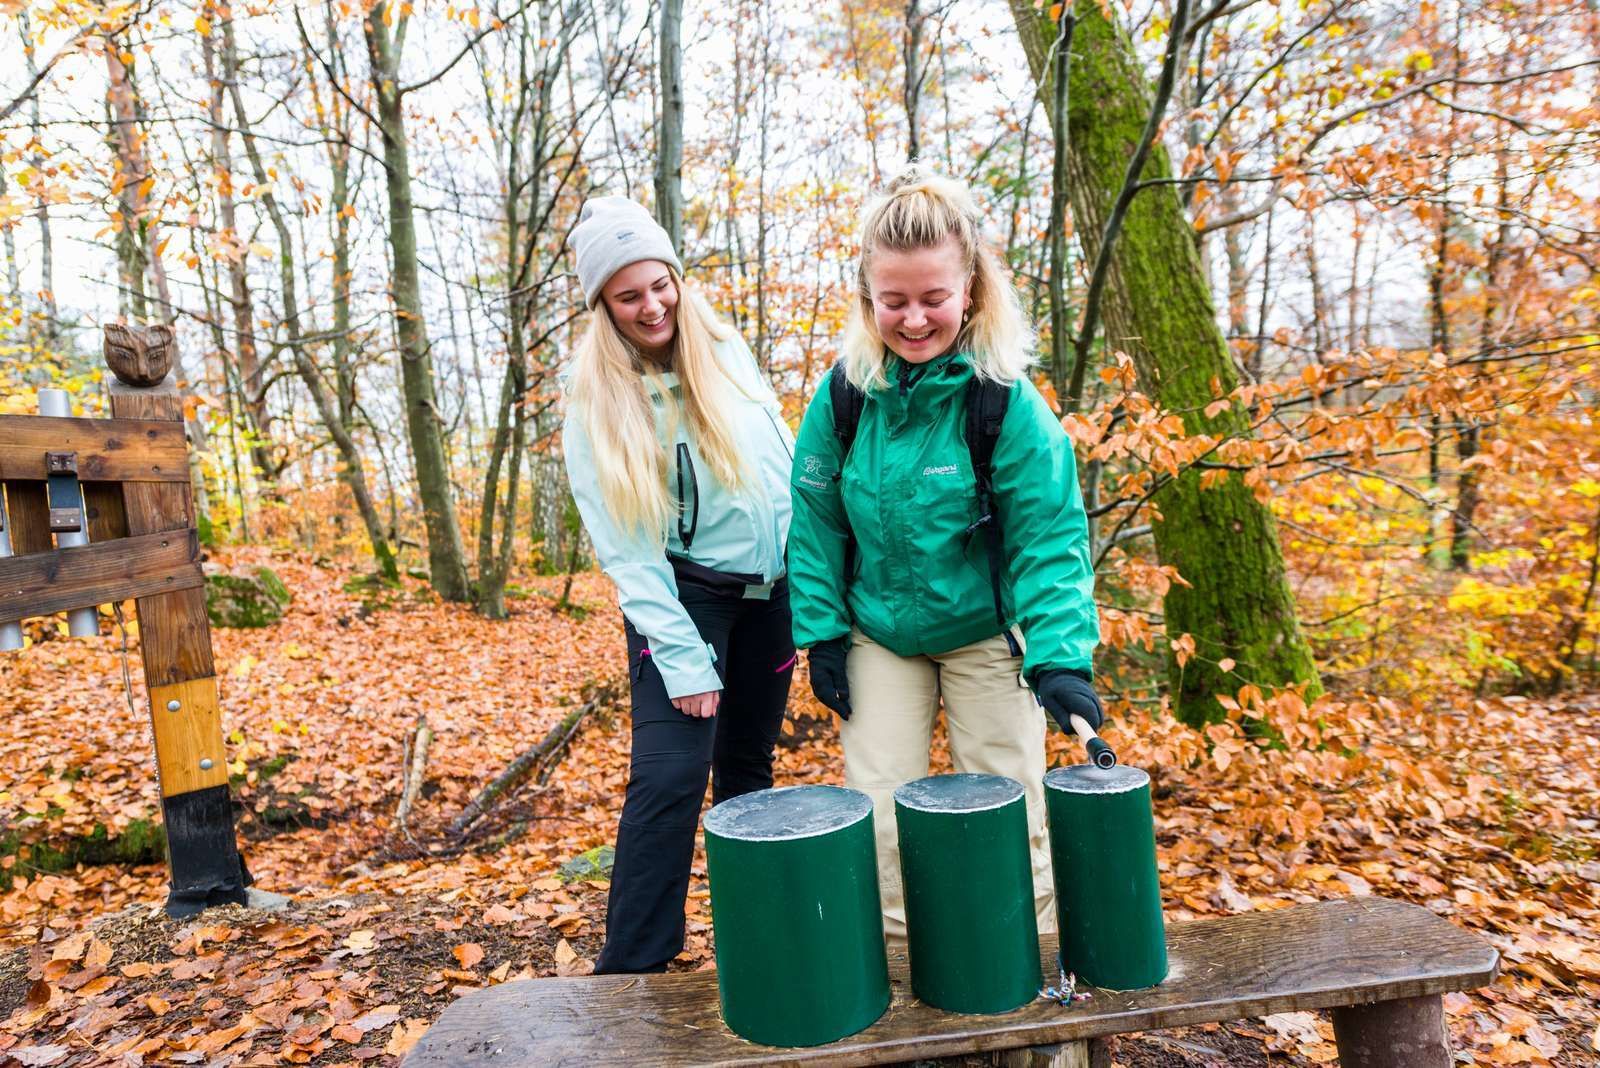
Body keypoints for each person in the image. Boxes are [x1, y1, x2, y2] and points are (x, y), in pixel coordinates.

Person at [787, 166, 1102, 940]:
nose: (916, 319)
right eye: (894, 301)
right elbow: (816, 520)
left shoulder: (1008, 406)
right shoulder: (843, 398)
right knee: (881, 819)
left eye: (934, 298)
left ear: (972, 293)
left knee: (1006, 810)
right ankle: (897, 981)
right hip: (879, 635)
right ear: (868, 300)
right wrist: (820, 633)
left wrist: (1061, 658)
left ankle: (1022, 977)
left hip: (983, 633)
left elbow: (1051, 542)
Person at [562, 196, 796, 974]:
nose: (652, 305)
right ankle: (633, 967)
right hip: (684, 600)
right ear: (604, 306)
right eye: (629, 295)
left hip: (773, 599)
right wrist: (685, 659)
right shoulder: (597, 401)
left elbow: (779, 471)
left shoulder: (724, 349)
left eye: (660, 284)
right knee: (669, 776)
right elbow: (627, 551)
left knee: (748, 771)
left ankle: (757, 940)